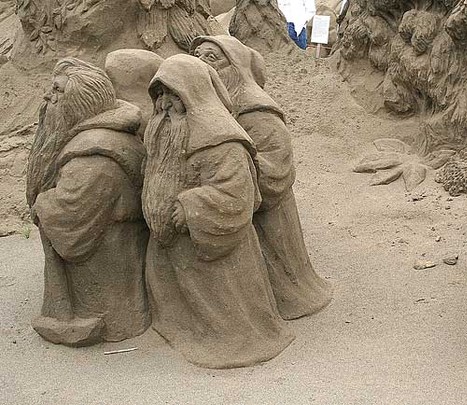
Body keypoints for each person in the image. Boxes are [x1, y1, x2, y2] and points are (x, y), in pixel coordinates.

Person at [142, 54, 294, 368]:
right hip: (172, 250)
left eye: (174, 95)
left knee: (225, 313)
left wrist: (190, 207)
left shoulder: (223, 141)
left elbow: (236, 194)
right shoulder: (159, 133)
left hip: (214, 252)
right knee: (181, 307)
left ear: (194, 94)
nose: (165, 104)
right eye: (160, 95)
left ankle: (238, 341)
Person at [191, 35, 332, 320]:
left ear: (235, 68)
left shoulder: (257, 113)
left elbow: (277, 172)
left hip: (267, 216)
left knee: (279, 276)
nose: (202, 63)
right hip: (234, 207)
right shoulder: (210, 109)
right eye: (198, 56)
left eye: (212, 58)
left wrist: (234, 174)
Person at [27, 58, 150, 346]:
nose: (47, 97)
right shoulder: (106, 136)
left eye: (57, 91)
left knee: (111, 308)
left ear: (79, 102)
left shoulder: (93, 157)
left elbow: (70, 214)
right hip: (119, 257)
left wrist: (43, 204)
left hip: (107, 268)